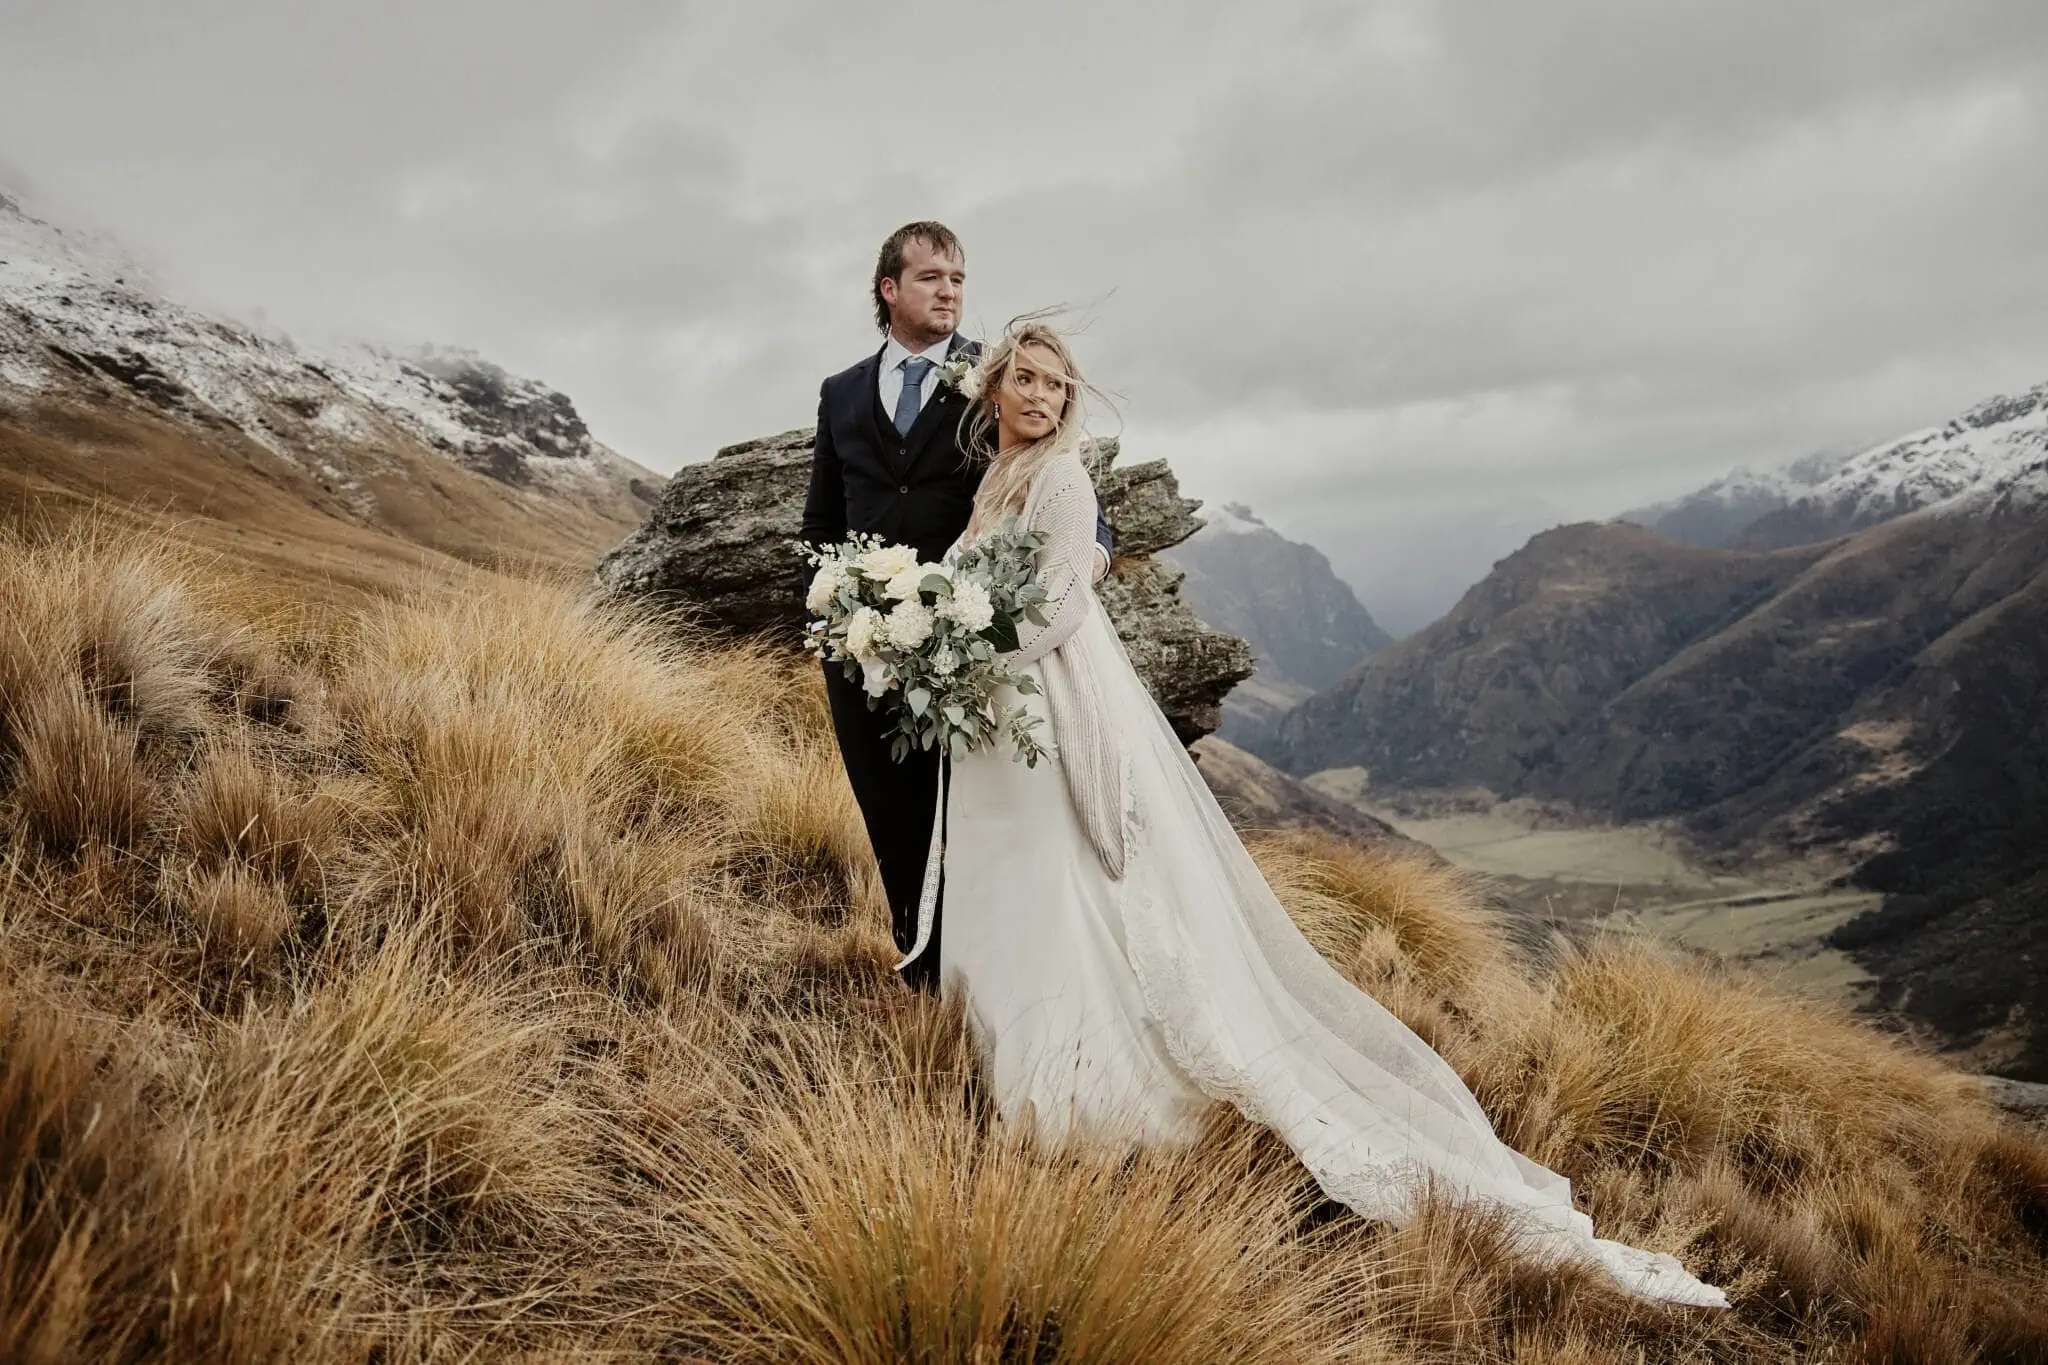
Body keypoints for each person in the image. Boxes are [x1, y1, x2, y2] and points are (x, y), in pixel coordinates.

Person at [931, 320, 1730, 1310]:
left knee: (1067, 879)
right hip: (1005, 717)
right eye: (1027, 382)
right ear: (996, 393)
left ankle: (1084, 1080)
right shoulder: (995, 480)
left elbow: (1051, 604)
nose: (1044, 397)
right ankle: (1008, 1046)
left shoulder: (1060, 481)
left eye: (1057, 384)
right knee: (1022, 877)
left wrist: (962, 651)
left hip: (1047, 697)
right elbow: (977, 576)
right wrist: (931, 622)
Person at [799, 223, 1112, 991]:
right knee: (891, 819)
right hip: (867, 653)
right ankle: (921, 976)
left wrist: (1086, 556)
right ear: (889, 290)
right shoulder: (840, 393)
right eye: (932, 277)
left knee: (970, 823)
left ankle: (982, 984)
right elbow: (820, 524)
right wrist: (839, 620)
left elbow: (1056, 471)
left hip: (966, 657)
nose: (950, 291)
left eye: (959, 279)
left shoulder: (997, 375)